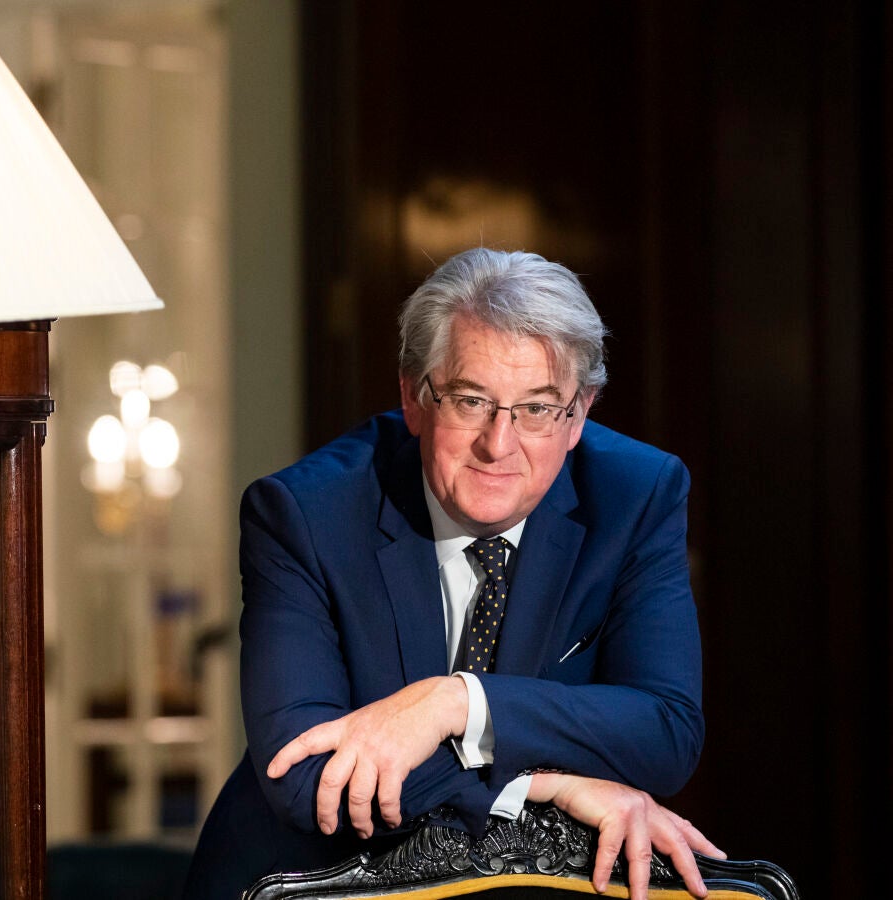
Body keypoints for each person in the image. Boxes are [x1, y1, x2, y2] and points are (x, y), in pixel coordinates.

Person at [185, 248, 723, 900]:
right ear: (414, 397)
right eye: (471, 401)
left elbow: (665, 732)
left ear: (580, 413)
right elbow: (304, 777)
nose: (499, 444)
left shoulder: (636, 497)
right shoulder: (306, 515)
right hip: (302, 881)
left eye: (537, 408)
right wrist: (543, 785)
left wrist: (459, 703)